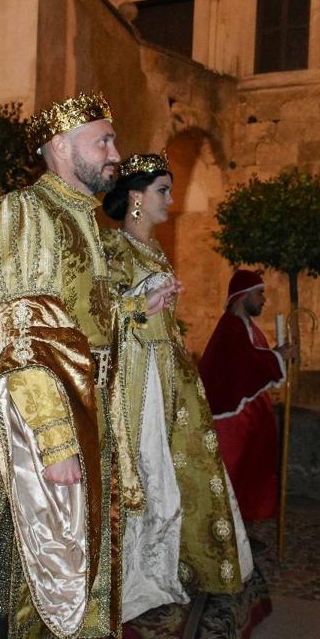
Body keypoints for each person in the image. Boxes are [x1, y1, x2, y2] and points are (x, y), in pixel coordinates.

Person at [0, 94, 179, 639]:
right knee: (8, 559)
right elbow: (23, 334)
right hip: (41, 422)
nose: (115, 155)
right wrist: (53, 440)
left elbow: (90, 314)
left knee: (83, 544)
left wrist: (136, 309)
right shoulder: (23, 212)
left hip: (94, 408)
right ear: (62, 144)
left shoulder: (83, 219)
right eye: (104, 141)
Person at [102, 152, 253, 615]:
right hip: (135, 385)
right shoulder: (113, 248)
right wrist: (139, 304)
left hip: (167, 379)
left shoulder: (153, 251)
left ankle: (163, 568)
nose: (171, 200)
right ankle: (132, 581)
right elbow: (101, 318)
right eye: (163, 191)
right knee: (146, 474)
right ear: (135, 197)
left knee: (172, 474)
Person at [198, 270, 295, 521]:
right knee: (230, 477)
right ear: (242, 296)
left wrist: (274, 356)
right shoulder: (231, 327)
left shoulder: (245, 326)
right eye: (259, 293)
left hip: (245, 419)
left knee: (245, 479)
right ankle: (226, 545)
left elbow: (251, 361)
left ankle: (241, 537)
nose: (264, 300)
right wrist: (277, 357)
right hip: (230, 421)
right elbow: (244, 365)